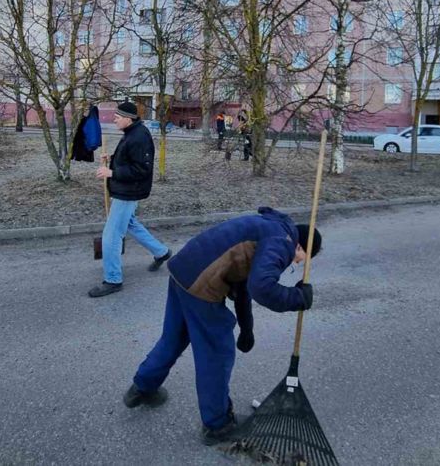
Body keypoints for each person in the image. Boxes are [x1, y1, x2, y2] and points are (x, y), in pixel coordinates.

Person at [122, 207, 322, 445]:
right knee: (216, 353)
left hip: (182, 270)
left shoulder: (270, 229)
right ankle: (218, 425)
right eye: (300, 260)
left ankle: (141, 388)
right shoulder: (283, 243)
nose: (296, 263)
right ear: (300, 247)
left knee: (174, 337)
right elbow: (262, 288)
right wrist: (299, 298)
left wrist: (247, 328)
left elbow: (244, 284)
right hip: (201, 285)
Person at [89, 101, 171, 298]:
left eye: (118, 116)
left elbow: (142, 169)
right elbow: (131, 158)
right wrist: (113, 157)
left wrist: (111, 171)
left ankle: (113, 279)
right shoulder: (132, 133)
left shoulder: (139, 137)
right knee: (131, 224)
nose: (114, 118)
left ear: (129, 118)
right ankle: (162, 252)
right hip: (126, 190)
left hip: (128, 192)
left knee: (111, 235)